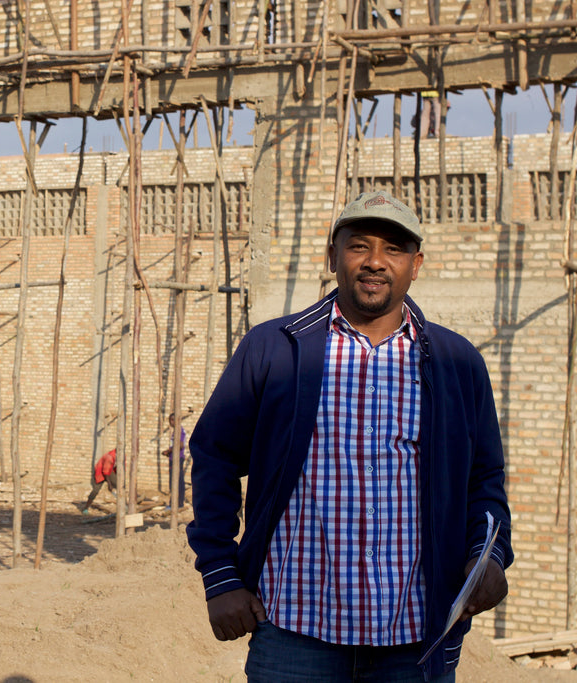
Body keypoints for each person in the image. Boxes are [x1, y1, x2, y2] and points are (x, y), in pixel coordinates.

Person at [186, 190, 512, 682]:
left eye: (394, 250)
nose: (375, 262)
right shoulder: (276, 351)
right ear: (332, 255)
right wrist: (220, 575)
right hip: (295, 632)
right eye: (359, 246)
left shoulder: (456, 362)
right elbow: (214, 456)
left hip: (414, 637)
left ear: (415, 264)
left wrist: (488, 554)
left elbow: (484, 478)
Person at [161, 413, 188, 508]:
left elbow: (180, 445)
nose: (170, 422)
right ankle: (177, 503)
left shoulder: (179, 431)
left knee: (177, 481)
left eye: (171, 420)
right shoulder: (177, 431)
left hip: (177, 459)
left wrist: (169, 450)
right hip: (174, 458)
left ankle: (178, 503)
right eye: (170, 420)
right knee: (177, 480)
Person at [80, 448, 117, 514]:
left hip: (110, 471)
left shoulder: (122, 456)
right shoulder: (109, 457)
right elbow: (105, 472)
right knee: (95, 490)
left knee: (120, 486)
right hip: (100, 472)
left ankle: (123, 507)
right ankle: (85, 508)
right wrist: (109, 484)